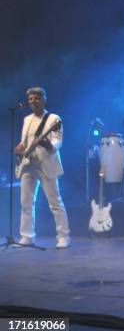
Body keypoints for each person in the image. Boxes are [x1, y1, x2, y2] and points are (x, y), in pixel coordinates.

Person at [14, 87, 70, 249]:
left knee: (55, 202)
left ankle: (63, 236)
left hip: (47, 164)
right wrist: (20, 147)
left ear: (44, 99)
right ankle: (27, 236)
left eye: (36, 98)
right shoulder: (26, 119)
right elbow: (25, 141)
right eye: (30, 99)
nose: (33, 101)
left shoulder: (54, 119)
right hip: (28, 165)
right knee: (26, 202)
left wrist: (49, 145)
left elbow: (58, 141)